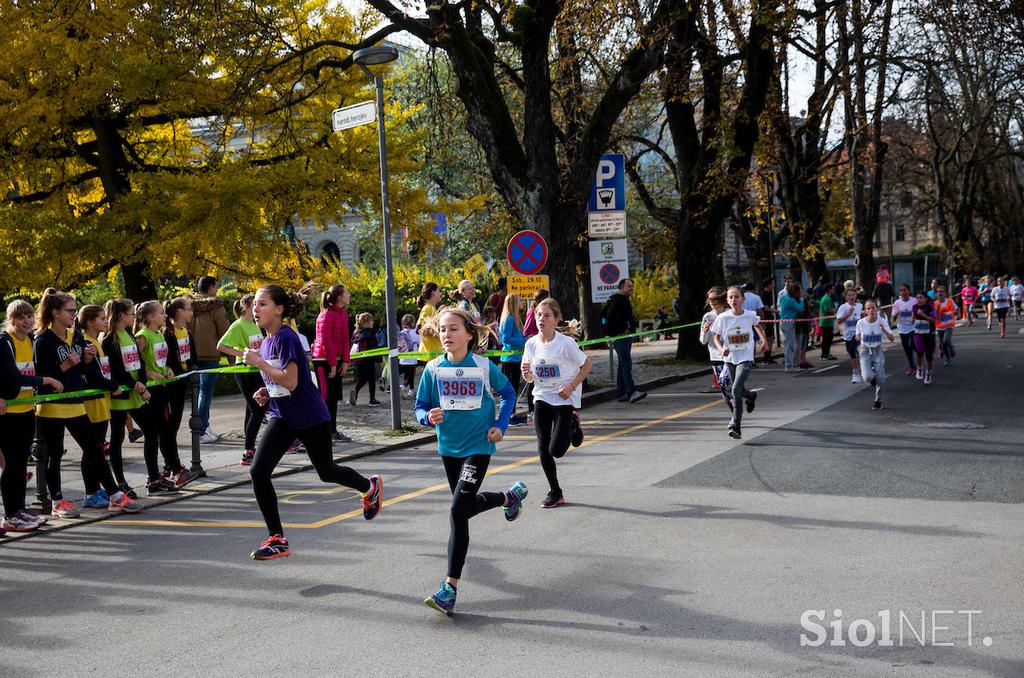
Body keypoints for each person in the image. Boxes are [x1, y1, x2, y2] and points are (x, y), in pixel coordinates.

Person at [242, 285, 382, 560]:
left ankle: (370, 486)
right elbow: (280, 378)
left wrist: (259, 363)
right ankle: (277, 538)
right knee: (258, 472)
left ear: (279, 309)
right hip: (283, 417)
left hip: (309, 417)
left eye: (262, 304)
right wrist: (266, 389)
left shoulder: (285, 337)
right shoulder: (268, 340)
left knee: (327, 471)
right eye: (254, 305)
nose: (255, 310)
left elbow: (291, 380)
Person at [414, 307, 524, 616]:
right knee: (464, 507)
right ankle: (509, 497)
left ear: (469, 335)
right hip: (449, 447)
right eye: (443, 330)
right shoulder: (433, 369)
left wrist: (500, 425)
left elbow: (508, 394)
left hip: (479, 445)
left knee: (456, 510)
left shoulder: (484, 366)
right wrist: (427, 417)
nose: (447, 335)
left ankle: (449, 588)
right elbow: (421, 407)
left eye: (453, 329)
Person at [34, 290, 143, 517]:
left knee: (94, 450)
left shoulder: (75, 336)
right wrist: (64, 366)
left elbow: (87, 372)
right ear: (55, 312)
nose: (73, 315)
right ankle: (57, 500)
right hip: (51, 406)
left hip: (76, 401)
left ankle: (114, 495)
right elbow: (42, 377)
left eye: (75, 310)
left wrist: (85, 360)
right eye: (69, 311)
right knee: (55, 454)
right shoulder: (43, 340)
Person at [521, 298, 592, 509]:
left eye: (547, 315)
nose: (541, 319)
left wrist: (571, 385)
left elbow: (586, 366)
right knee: (543, 446)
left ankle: (572, 423)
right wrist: (527, 374)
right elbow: (529, 377)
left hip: (563, 400)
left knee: (557, 451)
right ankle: (555, 491)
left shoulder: (566, 344)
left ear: (556, 319)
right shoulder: (531, 344)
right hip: (541, 397)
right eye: (539, 315)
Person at [1, 301, 64, 532]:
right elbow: (12, 376)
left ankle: (20, 509)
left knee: (20, 463)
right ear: (12, 320)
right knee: (12, 464)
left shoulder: (29, 340)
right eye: (20, 317)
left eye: (29, 316)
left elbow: (28, 370)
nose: (26, 321)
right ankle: (10, 514)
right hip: (8, 411)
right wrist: (45, 380)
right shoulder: (4, 342)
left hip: (25, 408)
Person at [136, 300, 196, 492]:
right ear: (151, 317)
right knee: (161, 432)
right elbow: (133, 363)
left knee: (165, 431)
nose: (164, 315)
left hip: (163, 387)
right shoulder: (142, 336)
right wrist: (149, 374)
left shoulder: (158, 334)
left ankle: (171, 470)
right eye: (161, 313)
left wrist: (168, 368)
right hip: (152, 391)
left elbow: (162, 360)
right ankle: (170, 471)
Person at [101, 299, 151, 497]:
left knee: (151, 430)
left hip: (135, 394)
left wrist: (142, 382)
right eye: (131, 314)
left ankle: (154, 475)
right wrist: (135, 385)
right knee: (117, 438)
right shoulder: (110, 339)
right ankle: (120, 481)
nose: (134, 317)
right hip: (121, 396)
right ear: (122, 316)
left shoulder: (128, 334)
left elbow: (137, 362)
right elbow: (115, 370)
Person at [76, 305, 120, 508]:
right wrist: (113, 386)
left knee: (98, 447)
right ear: (90, 321)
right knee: (92, 450)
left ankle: (95, 488)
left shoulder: (97, 342)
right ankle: (90, 493)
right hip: (92, 404)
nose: (106, 321)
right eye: (102, 318)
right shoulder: (86, 342)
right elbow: (94, 376)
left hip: (102, 401)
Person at [711, 286, 768, 439]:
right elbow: (716, 337)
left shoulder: (750, 315)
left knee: (735, 389)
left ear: (743, 299)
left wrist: (764, 341)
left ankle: (736, 424)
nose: (733, 300)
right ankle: (750, 396)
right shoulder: (723, 318)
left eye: (736, 297)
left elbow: (757, 325)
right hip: (729, 358)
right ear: (727, 300)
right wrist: (721, 348)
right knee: (739, 389)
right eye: (730, 297)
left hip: (746, 358)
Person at [216, 295, 268, 465]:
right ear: (245, 306)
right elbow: (221, 346)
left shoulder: (254, 325)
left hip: (256, 370)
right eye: (254, 304)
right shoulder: (238, 325)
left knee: (251, 410)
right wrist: (243, 355)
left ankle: (249, 448)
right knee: (259, 409)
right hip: (245, 371)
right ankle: (248, 451)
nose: (257, 309)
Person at [189, 276, 230, 443]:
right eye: (216, 287)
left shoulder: (187, 305)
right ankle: (201, 430)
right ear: (212, 287)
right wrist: (231, 354)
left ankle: (204, 426)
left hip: (191, 355)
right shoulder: (216, 306)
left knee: (197, 393)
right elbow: (224, 332)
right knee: (205, 393)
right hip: (210, 353)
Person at [311, 284, 352, 442]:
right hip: (323, 361)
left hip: (336, 360)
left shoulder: (343, 314)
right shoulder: (326, 315)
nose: (349, 295)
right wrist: (333, 364)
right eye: (347, 292)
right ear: (340, 297)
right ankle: (320, 432)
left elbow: (345, 339)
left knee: (334, 398)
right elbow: (325, 341)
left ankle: (331, 431)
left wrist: (346, 361)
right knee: (325, 397)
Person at [163, 297, 199, 469]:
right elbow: (167, 359)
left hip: (182, 382)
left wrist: (192, 368)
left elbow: (192, 356)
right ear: (179, 312)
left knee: (175, 425)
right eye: (189, 309)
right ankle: (170, 465)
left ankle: (173, 464)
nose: (191, 312)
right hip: (170, 385)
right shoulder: (167, 333)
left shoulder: (185, 330)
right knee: (169, 428)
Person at [601, 278, 645, 403]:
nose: (631, 288)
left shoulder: (622, 300)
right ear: (621, 287)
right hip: (620, 337)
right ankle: (631, 392)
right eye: (629, 286)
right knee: (626, 364)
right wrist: (621, 330)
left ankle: (622, 393)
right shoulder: (618, 300)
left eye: (632, 286)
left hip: (623, 336)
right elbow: (610, 318)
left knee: (622, 364)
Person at [855, 299, 895, 410]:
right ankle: (872, 377)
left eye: (873, 308)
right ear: (865, 311)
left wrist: (885, 331)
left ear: (877, 309)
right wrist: (857, 337)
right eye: (868, 308)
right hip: (865, 350)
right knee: (867, 377)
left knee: (881, 378)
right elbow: (857, 335)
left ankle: (878, 400)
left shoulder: (882, 321)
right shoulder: (861, 323)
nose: (871, 310)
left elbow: (892, 339)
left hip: (877, 350)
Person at [699, 287, 734, 412]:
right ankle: (735, 410)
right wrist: (705, 330)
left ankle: (736, 414)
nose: (712, 302)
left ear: (722, 300)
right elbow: (702, 341)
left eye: (715, 299)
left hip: (730, 356)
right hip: (715, 356)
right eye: (710, 299)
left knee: (726, 382)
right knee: (724, 389)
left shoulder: (730, 314)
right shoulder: (707, 316)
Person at [499, 294, 527, 425]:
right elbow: (505, 339)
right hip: (509, 359)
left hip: (515, 358)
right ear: (514, 303)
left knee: (514, 388)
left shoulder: (515, 318)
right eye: (520, 300)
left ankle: (512, 414)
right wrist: (523, 341)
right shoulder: (509, 319)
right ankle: (509, 416)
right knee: (510, 388)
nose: (522, 302)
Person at [522, 289, 548, 421]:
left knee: (540, 376)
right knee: (532, 379)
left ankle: (540, 408)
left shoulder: (540, 310)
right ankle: (532, 410)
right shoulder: (532, 311)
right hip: (535, 347)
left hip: (543, 346)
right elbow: (527, 330)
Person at [349, 312, 381, 407]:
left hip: (359, 360)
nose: (373, 322)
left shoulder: (356, 332)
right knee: (371, 379)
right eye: (372, 320)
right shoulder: (369, 333)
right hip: (369, 359)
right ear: (367, 322)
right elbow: (374, 347)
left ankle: (355, 390)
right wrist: (378, 358)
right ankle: (372, 399)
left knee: (362, 378)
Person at [835, 289, 864, 384]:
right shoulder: (843, 307)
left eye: (853, 295)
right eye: (849, 295)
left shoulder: (860, 306)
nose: (851, 297)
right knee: (852, 352)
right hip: (848, 334)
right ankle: (858, 369)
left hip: (858, 333)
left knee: (852, 350)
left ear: (856, 296)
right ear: (846, 297)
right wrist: (848, 314)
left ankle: (856, 373)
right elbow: (839, 321)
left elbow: (864, 318)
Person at [891, 284, 918, 375]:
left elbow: (919, 312)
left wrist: (915, 317)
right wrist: (895, 315)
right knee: (907, 350)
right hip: (902, 329)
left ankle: (920, 364)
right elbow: (893, 319)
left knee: (913, 345)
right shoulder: (897, 303)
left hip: (913, 328)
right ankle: (912, 367)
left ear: (909, 291)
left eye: (905, 290)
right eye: (901, 290)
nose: (903, 292)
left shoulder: (914, 301)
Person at [779, 283, 805, 372]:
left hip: (786, 322)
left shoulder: (784, 298)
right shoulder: (790, 300)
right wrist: (801, 299)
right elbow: (800, 308)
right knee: (789, 345)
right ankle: (789, 366)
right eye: (799, 291)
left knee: (790, 344)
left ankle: (791, 364)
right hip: (788, 322)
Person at [912, 291, 937, 384]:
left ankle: (928, 373)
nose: (919, 299)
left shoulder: (930, 306)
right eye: (917, 297)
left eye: (921, 297)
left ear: (926, 299)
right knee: (919, 351)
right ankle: (920, 368)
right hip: (918, 333)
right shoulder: (914, 307)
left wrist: (923, 315)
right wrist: (913, 319)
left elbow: (934, 320)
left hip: (929, 334)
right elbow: (913, 315)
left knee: (929, 356)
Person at [416, 282, 443, 359]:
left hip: (434, 352)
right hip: (430, 353)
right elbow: (419, 329)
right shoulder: (428, 308)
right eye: (439, 291)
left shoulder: (432, 308)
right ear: (433, 293)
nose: (440, 293)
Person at [753, 280, 776, 364]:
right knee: (769, 337)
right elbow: (765, 308)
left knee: (772, 337)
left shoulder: (768, 294)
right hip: (767, 318)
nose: (774, 285)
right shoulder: (765, 294)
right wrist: (775, 311)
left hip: (769, 318)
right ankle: (766, 357)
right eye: (773, 283)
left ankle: (768, 356)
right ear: (769, 285)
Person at [397, 314, 420, 398]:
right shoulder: (414, 332)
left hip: (402, 357)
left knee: (407, 373)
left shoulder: (401, 333)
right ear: (413, 323)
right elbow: (419, 342)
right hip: (412, 357)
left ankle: (412, 390)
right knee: (411, 373)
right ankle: (403, 386)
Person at [934, 286, 958, 365]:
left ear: (945, 293)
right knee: (942, 344)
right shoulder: (935, 303)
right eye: (938, 292)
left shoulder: (950, 301)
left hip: (949, 326)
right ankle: (948, 358)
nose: (940, 293)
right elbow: (933, 316)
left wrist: (957, 313)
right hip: (939, 327)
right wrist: (937, 310)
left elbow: (956, 308)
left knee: (945, 341)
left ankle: (951, 347)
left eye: (942, 291)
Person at [818, 283, 837, 360]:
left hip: (826, 322)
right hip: (826, 322)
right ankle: (825, 354)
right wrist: (834, 310)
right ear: (829, 290)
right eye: (832, 289)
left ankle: (825, 353)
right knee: (827, 339)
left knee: (827, 338)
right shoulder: (827, 299)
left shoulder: (825, 298)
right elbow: (827, 309)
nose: (833, 290)